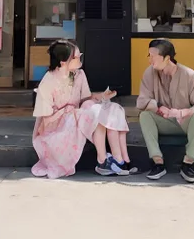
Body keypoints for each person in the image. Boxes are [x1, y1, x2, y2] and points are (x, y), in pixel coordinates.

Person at [32, 39, 134, 179]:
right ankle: (102, 160)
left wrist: (102, 96)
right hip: (56, 127)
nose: (80, 59)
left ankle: (119, 159)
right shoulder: (48, 82)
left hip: (76, 115)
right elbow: (46, 119)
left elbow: (85, 99)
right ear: (63, 62)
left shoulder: (79, 75)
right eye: (76, 57)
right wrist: (69, 112)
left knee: (110, 108)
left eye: (80, 55)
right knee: (94, 113)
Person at [136, 38, 194, 183]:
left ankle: (187, 164)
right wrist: (158, 106)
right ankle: (157, 163)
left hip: (183, 122)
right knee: (144, 116)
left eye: (154, 57)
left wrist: (183, 112)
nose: (150, 60)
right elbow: (141, 101)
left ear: (167, 58)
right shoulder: (149, 73)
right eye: (149, 56)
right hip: (163, 121)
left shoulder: (189, 75)